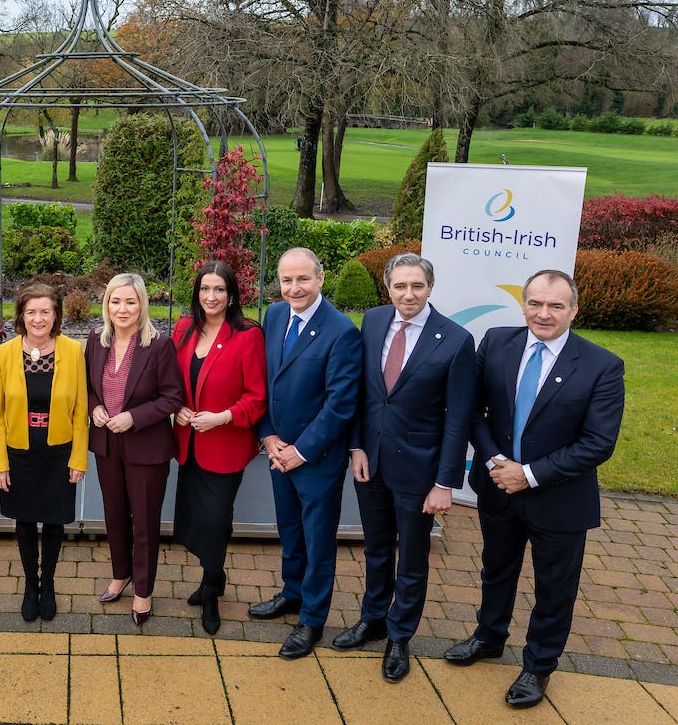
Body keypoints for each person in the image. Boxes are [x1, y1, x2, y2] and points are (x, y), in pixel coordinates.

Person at [444, 269, 625, 709]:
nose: (544, 314)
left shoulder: (602, 366)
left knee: (554, 587)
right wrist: (495, 464)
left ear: (574, 310)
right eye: (536, 304)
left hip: (558, 498)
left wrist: (528, 474)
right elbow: (473, 411)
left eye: (556, 306)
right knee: (496, 569)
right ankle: (488, 638)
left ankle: (539, 666)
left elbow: (598, 443)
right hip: (498, 488)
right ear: (523, 304)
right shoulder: (497, 343)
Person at [335, 253, 475, 682]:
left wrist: (444, 483)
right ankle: (373, 618)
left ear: (430, 288)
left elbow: (458, 418)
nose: (408, 294)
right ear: (388, 287)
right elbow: (364, 393)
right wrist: (356, 447)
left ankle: (400, 636)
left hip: (420, 472)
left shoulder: (455, 339)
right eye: (400, 286)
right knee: (376, 548)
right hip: (370, 463)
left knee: (412, 558)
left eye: (417, 286)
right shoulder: (374, 321)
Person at [249, 247, 362, 660]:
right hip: (279, 451)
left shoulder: (342, 331)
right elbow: (265, 382)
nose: (294, 288)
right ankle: (292, 593)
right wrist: (267, 436)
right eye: (286, 280)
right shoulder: (276, 316)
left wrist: (302, 451)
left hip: (316, 461)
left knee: (317, 542)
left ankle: (312, 619)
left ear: (320, 279)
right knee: (290, 532)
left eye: (302, 279)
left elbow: (340, 404)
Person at [172, 261, 266, 635]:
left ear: (231, 296)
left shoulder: (247, 335)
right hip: (188, 443)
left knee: (215, 521)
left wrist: (222, 416)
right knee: (195, 520)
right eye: (205, 289)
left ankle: (212, 590)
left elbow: (257, 397)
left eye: (219, 290)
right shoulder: (183, 329)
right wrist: (175, 407)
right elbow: (170, 382)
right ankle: (212, 575)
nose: (211, 297)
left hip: (225, 445)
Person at [85, 272, 184, 626]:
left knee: (143, 522)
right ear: (107, 304)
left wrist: (133, 417)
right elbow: (90, 386)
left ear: (142, 304)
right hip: (107, 445)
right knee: (114, 515)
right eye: (115, 301)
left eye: (130, 301)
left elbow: (173, 396)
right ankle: (120, 573)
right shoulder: (97, 339)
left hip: (146, 447)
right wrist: (94, 406)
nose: (122, 308)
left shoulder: (158, 345)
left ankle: (143, 590)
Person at [0, 283, 88, 622]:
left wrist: (78, 458)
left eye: (45, 311)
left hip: (59, 451)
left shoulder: (73, 351)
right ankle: (31, 584)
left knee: (55, 521)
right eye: (31, 311)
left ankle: (49, 584)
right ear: (21, 315)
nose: (38, 318)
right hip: (19, 452)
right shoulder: (4, 354)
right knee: (26, 520)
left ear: (56, 314)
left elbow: (81, 411)